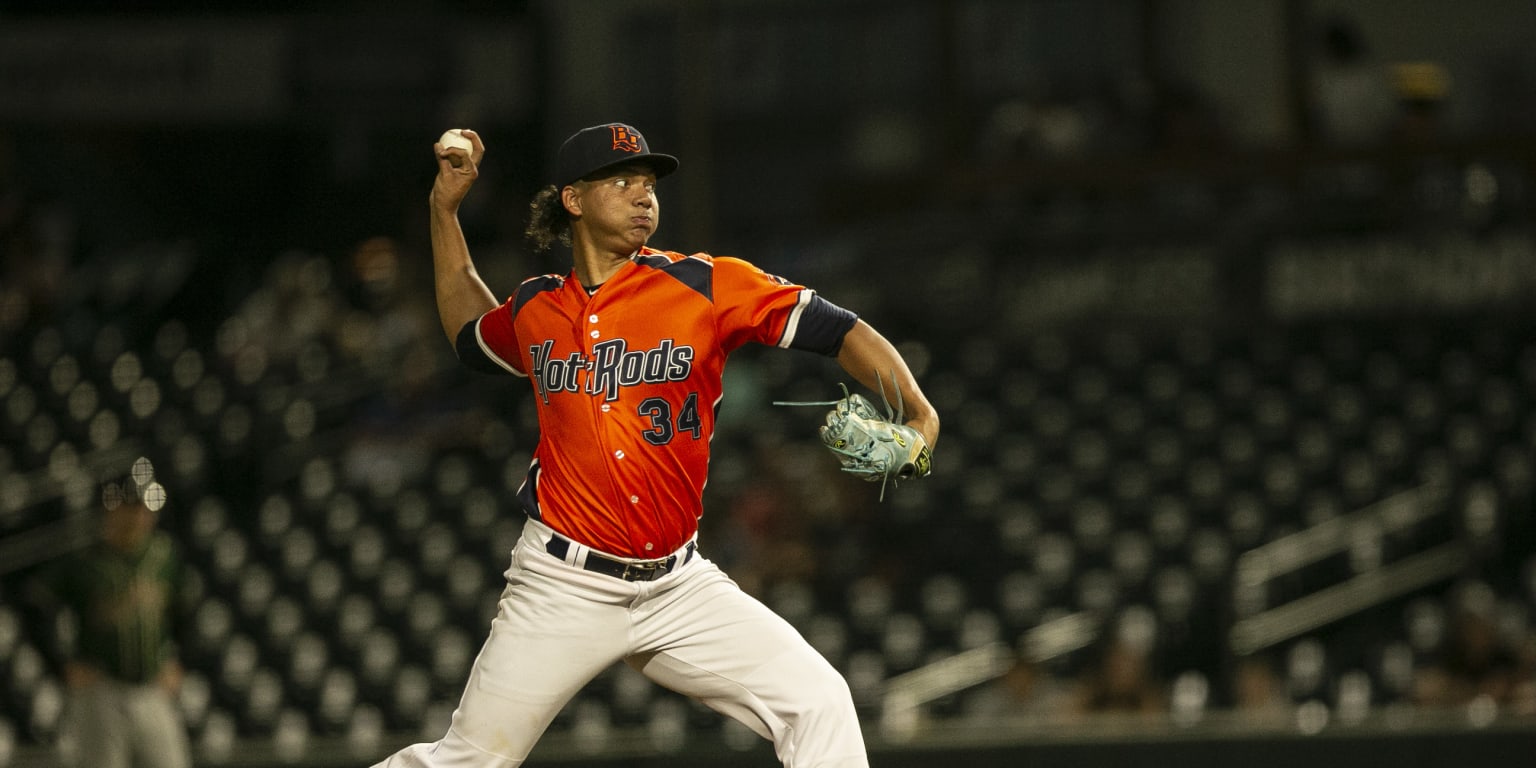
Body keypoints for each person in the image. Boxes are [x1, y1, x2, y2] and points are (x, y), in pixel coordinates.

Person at [369, 123, 939, 768]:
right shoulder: (539, 308)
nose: (644, 196)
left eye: (649, 184)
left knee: (818, 702)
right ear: (574, 200)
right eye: (622, 182)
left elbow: (840, 330)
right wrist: (444, 210)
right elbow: (469, 333)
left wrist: (919, 413)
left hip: (678, 585)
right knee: (469, 759)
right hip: (563, 585)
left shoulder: (705, 285)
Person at [46, 458, 192, 768]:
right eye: (133, 506)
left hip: (152, 688)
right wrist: (61, 665)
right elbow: (38, 608)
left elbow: (185, 611)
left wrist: (179, 661)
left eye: (145, 506)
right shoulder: (84, 560)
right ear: (112, 507)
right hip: (101, 689)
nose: (141, 515)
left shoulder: (164, 554)